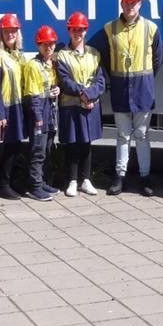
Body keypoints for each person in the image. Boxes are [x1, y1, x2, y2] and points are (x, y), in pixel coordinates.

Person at [91, 0, 161, 196]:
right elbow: (103, 59)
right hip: (121, 90)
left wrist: (145, 81)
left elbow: (157, 59)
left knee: (141, 134)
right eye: (126, 1)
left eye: (134, 2)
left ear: (140, 4)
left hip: (143, 91)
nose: (130, 5)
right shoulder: (109, 29)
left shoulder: (151, 28)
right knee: (122, 135)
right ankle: (119, 177)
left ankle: (144, 176)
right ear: (121, 3)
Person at [56, 12, 106, 197]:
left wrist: (90, 96)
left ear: (86, 31)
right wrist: (82, 95)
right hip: (71, 106)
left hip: (90, 105)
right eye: (74, 29)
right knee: (72, 144)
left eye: (81, 29)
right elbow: (65, 81)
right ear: (69, 30)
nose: (78, 33)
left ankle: (86, 180)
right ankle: (72, 180)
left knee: (86, 143)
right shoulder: (62, 55)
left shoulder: (95, 54)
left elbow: (100, 81)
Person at [0, 14, 28, 200]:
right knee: (9, 148)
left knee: (16, 146)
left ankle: (11, 182)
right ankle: (3, 185)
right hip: (5, 109)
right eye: (6, 31)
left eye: (13, 30)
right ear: (1, 33)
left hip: (18, 108)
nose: (10, 34)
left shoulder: (19, 56)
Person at [22, 25, 62, 201]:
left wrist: (57, 90)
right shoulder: (33, 66)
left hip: (51, 113)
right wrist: (38, 118)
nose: (49, 47)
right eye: (45, 44)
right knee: (37, 151)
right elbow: (32, 95)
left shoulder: (51, 64)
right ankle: (34, 186)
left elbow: (51, 87)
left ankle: (43, 181)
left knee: (46, 149)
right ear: (38, 45)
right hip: (40, 114)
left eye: (52, 44)